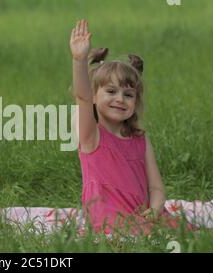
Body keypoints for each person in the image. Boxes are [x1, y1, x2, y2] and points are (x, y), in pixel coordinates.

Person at [70, 19, 173, 234]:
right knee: (125, 235)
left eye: (128, 95)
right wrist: (79, 61)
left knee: (183, 234)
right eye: (111, 92)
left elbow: (156, 188)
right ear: (95, 97)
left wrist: (154, 211)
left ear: (136, 102)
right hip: (109, 219)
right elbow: (82, 97)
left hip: (144, 216)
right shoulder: (92, 137)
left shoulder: (140, 139)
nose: (120, 99)